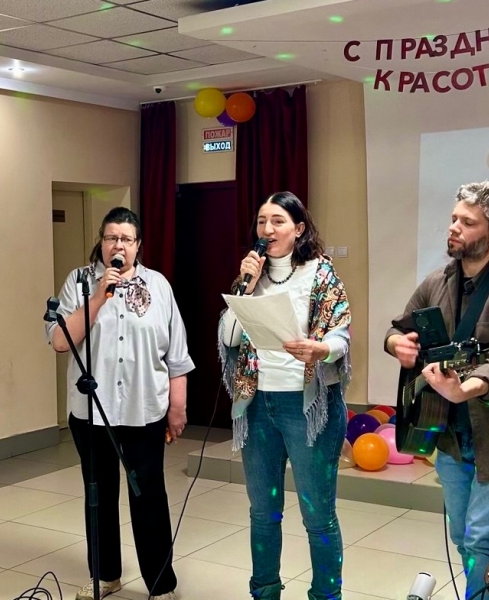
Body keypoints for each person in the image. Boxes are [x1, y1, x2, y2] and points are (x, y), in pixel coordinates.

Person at [385, 181, 489, 599]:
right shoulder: (437, 281)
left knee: (482, 542)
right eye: (454, 218)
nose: (453, 227)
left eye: (467, 222)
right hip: (451, 437)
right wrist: (397, 344)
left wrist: (463, 389)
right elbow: (398, 328)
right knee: (462, 537)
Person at [46, 207, 194, 600]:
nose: (118, 245)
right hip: (92, 411)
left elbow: (176, 352)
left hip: (144, 409)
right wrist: (99, 296)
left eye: (126, 239)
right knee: (99, 495)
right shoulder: (79, 281)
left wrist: (177, 407)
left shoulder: (158, 285)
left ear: (138, 245)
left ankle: (160, 584)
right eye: (111, 237)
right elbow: (60, 340)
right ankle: (106, 575)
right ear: (101, 241)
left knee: (149, 495)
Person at [218, 191, 352, 600]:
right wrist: (246, 286)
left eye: (278, 221)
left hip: (307, 406)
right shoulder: (250, 277)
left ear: (299, 229)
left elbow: (342, 336)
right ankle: (265, 592)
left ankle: (326, 595)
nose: (268, 229)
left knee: (318, 515)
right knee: (263, 512)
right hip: (258, 405)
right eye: (262, 221)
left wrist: (321, 349)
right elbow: (228, 337)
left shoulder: (320, 274)